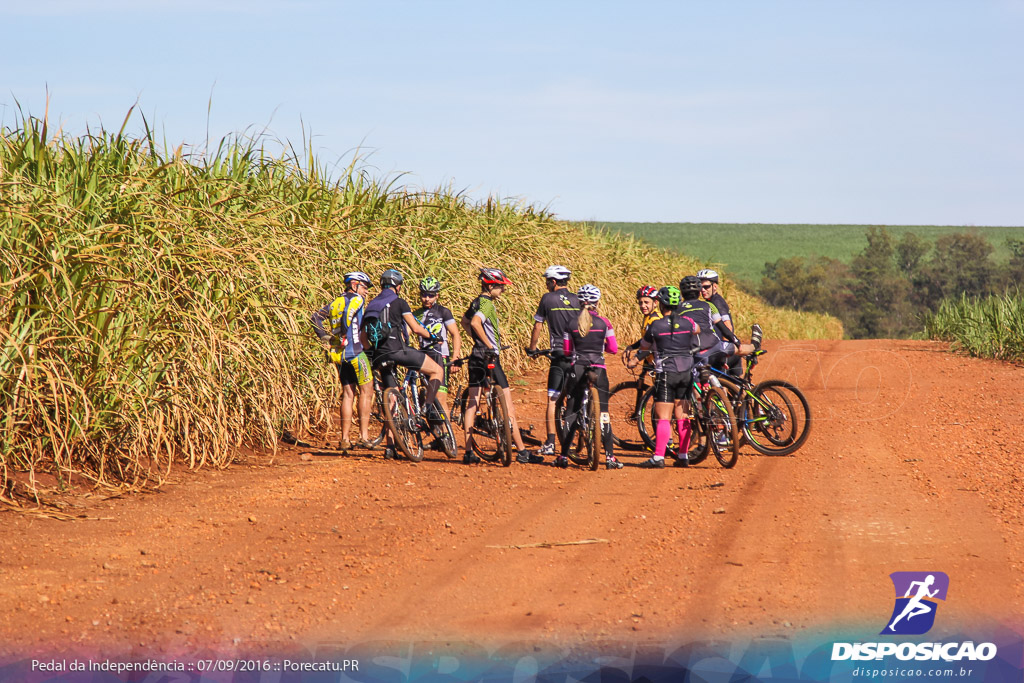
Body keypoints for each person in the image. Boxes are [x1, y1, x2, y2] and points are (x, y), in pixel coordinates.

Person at [359, 268, 446, 460]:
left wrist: (371, 355)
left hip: (379, 356)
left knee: (392, 399)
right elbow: (415, 329)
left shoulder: (371, 305)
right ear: (398, 287)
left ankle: (390, 447)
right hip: (399, 350)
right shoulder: (399, 302)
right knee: (437, 371)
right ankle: (428, 407)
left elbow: (363, 337)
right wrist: (433, 336)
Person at [461, 268, 541, 465]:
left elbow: (465, 322)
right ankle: (522, 451)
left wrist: (477, 342)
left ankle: (469, 452)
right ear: (490, 286)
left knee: (473, 402)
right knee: (508, 405)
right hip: (489, 357)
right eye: (500, 287)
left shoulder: (476, 301)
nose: (503, 290)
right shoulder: (487, 304)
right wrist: (489, 344)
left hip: (475, 356)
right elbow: (475, 322)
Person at [559, 284, 623, 470]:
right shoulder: (605, 323)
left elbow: (566, 350)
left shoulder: (570, 323)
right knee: (604, 414)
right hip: (599, 368)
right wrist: (598, 348)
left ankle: (563, 456)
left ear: (579, 302)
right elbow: (612, 349)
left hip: (577, 367)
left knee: (571, 411)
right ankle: (610, 458)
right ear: (597, 302)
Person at [636, 286, 700, 468]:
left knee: (663, 417)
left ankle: (658, 457)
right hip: (686, 372)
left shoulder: (655, 325)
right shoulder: (688, 322)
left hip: (666, 373)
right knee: (683, 416)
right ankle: (683, 456)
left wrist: (634, 359)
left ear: (662, 305)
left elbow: (644, 346)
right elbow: (697, 329)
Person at [310, 271, 375, 451]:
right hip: (355, 352)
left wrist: (325, 337)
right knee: (367, 391)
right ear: (354, 285)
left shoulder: (335, 302)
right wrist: (346, 331)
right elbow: (350, 312)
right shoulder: (357, 299)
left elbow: (315, 317)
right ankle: (363, 436)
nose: (366, 291)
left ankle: (345, 439)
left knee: (348, 394)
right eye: (364, 287)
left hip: (339, 354)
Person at [526, 265, 580, 456]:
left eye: (547, 281)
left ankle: (550, 443)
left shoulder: (547, 298)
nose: (546, 284)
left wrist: (532, 349)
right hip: (578, 353)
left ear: (554, 281)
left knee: (553, 398)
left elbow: (538, 326)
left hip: (558, 353)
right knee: (576, 394)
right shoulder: (577, 299)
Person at [678, 275, 761, 373]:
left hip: (695, 353)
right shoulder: (709, 305)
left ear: (682, 293)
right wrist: (735, 341)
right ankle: (755, 346)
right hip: (715, 346)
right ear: (699, 291)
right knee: (740, 349)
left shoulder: (676, 310)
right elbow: (723, 328)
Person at [411, 276, 462, 417]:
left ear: (437, 296)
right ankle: (436, 433)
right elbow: (406, 333)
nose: (427, 298)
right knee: (427, 396)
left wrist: (456, 357)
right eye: (424, 295)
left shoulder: (443, 312)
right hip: (423, 357)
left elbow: (455, 334)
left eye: (431, 295)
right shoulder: (415, 314)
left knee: (440, 397)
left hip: (440, 356)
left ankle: (447, 433)